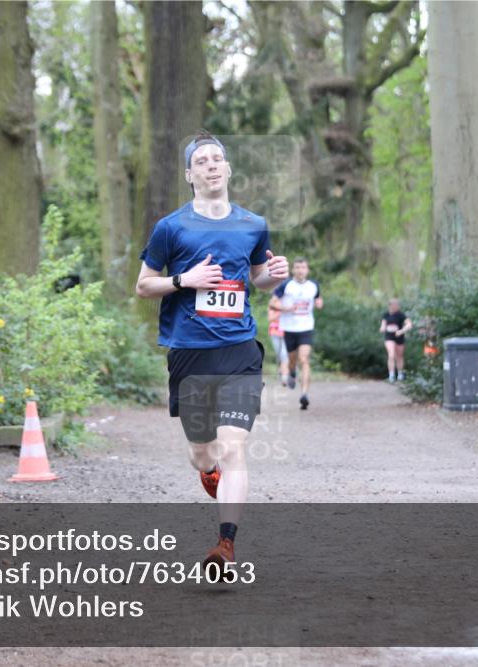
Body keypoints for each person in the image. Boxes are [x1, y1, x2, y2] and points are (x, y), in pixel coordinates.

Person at [135, 131, 289, 569]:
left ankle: (225, 545)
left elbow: (257, 278)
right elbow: (144, 285)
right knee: (203, 454)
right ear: (190, 174)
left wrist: (272, 276)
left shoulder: (253, 224)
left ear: (228, 168)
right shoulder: (171, 227)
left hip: (239, 350)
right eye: (201, 160)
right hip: (190, 352)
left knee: (232, 447)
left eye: (217, 158)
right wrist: (185, 281)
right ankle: (209, 473)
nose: (211, 165)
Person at [269, 258, 322, 410]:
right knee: (292, 361)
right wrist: (286, 309)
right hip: (289, 328)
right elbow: (272, 303)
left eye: (303, 267)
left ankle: (304, 395)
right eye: (297, 267)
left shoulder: (314, 285)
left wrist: (319, 303)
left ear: (307, 270)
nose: (300, 270)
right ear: (293, 270)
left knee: (304, 359)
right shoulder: (285, 285)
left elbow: (318, 299)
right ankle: (292, 372)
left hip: (306, 327)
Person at [380, 298, 413, 382]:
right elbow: (383, 325)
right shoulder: (386, 315)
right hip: (389, 337)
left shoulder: (401, 315)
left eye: (397, 305)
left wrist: (401, 331)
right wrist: (383, 328)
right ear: (390, 306)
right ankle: (391, 375)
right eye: (394, 305)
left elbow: (409, 324)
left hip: (399, 337)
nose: (396, 307)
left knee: (399, 356)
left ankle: (400, 374)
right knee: (391, 355)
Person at [267, 301, 290, 386]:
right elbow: (270, 318)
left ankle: (284, 378)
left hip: (287, 332)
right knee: (279, 355)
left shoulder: (288, 302)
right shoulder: (272, 304)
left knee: (284, 355)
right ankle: (281, 369)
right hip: (274, 332)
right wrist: (281, 312)